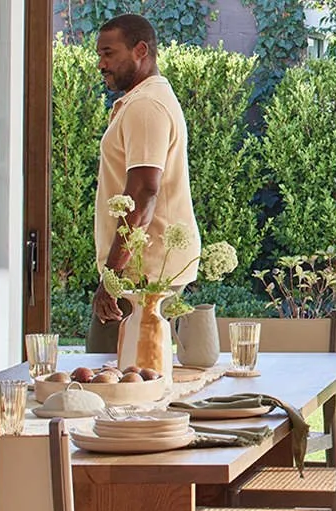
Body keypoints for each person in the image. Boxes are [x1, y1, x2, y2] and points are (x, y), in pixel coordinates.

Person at [88, 13, 199, 352]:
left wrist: (113, 277)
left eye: (109, 53)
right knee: (137, 383)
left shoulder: (146, 105)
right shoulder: (144, 100)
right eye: (99, 55)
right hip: (146, 271)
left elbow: (143, 191)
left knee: (109, 384)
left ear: (140, 50)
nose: (101, 64)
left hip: (142, 275)